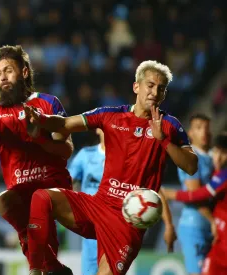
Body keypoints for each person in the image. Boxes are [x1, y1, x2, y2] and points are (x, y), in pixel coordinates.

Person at [23, 60, 198, 275]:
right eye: (150, 85)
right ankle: (42, 268)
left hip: (128, 222)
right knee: (42, 198)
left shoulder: (170, 125)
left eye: (161, 88)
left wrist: (163, 140)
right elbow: (64, 124)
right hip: (99, 205)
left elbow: (191, 166)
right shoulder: (111, 115)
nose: (155, 92)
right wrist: (40, 118)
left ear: (164, 94)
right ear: (137, 87)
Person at [0, 45, 73, 274]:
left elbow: (67, 150)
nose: (3, 77)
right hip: (21, 191)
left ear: (24, 72)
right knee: (2, 201)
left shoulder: (48, 103)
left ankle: (45, 266)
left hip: (52, 186)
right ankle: (52, 266)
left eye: (8, 70)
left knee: (38, 202)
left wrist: (39, 139)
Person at [162, 133, 227, 275]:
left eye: (223, 153)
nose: (218, 157)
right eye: (216, 151)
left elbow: (199, 194)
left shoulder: (224, 175)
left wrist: (171, 194)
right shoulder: (215, 170)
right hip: (217, 239)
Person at [176, 114, 214, 275]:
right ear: (190, 133)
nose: (204, 132)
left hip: (211, 227)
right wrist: (214, 221)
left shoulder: (214, 157)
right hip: (194, 226)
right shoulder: (191, 158)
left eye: (206, 128)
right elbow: (195, 196)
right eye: (199, 128)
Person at [68, 129, 105, 275]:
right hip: (90, 220)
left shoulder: (124, 157)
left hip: (113, 221)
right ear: (98, 129)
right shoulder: (85, 154)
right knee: (90, 266)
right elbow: (68, 180)